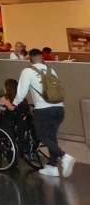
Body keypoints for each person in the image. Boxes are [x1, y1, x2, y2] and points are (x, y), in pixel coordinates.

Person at [9, 48, 73, 177]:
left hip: (43, 111)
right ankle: (52, 167)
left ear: (30, 59)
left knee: (42, 136)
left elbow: (21, 92)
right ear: (43, 58)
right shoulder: (51, 70)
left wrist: (14, 104)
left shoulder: (27, 71)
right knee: (52, 138)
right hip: (59, 109)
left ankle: (64, 156)